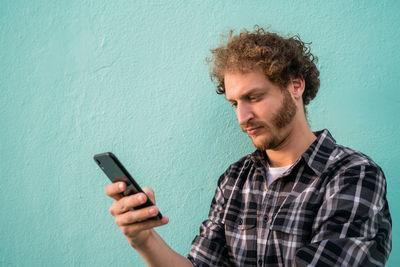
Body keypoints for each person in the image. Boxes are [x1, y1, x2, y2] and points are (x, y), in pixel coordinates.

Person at [105, 26, 392, 266]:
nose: (242, 117)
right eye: (234, 103)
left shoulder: (354, 174)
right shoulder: (235, 178)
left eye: (254, 97)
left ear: (295, 86)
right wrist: (142, 238)